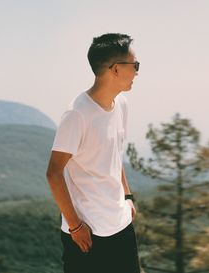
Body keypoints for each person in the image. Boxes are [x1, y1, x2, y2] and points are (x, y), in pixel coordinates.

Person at [46, 33, 141, 273]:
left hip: (120, 224)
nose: (138, 72)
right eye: (135, 65)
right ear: (116, 69)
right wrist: (75, 227)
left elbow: (114, 154)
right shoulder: (77, 114)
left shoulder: (121, 104)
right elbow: (54, 173)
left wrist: (128, 198)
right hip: (87, 234)